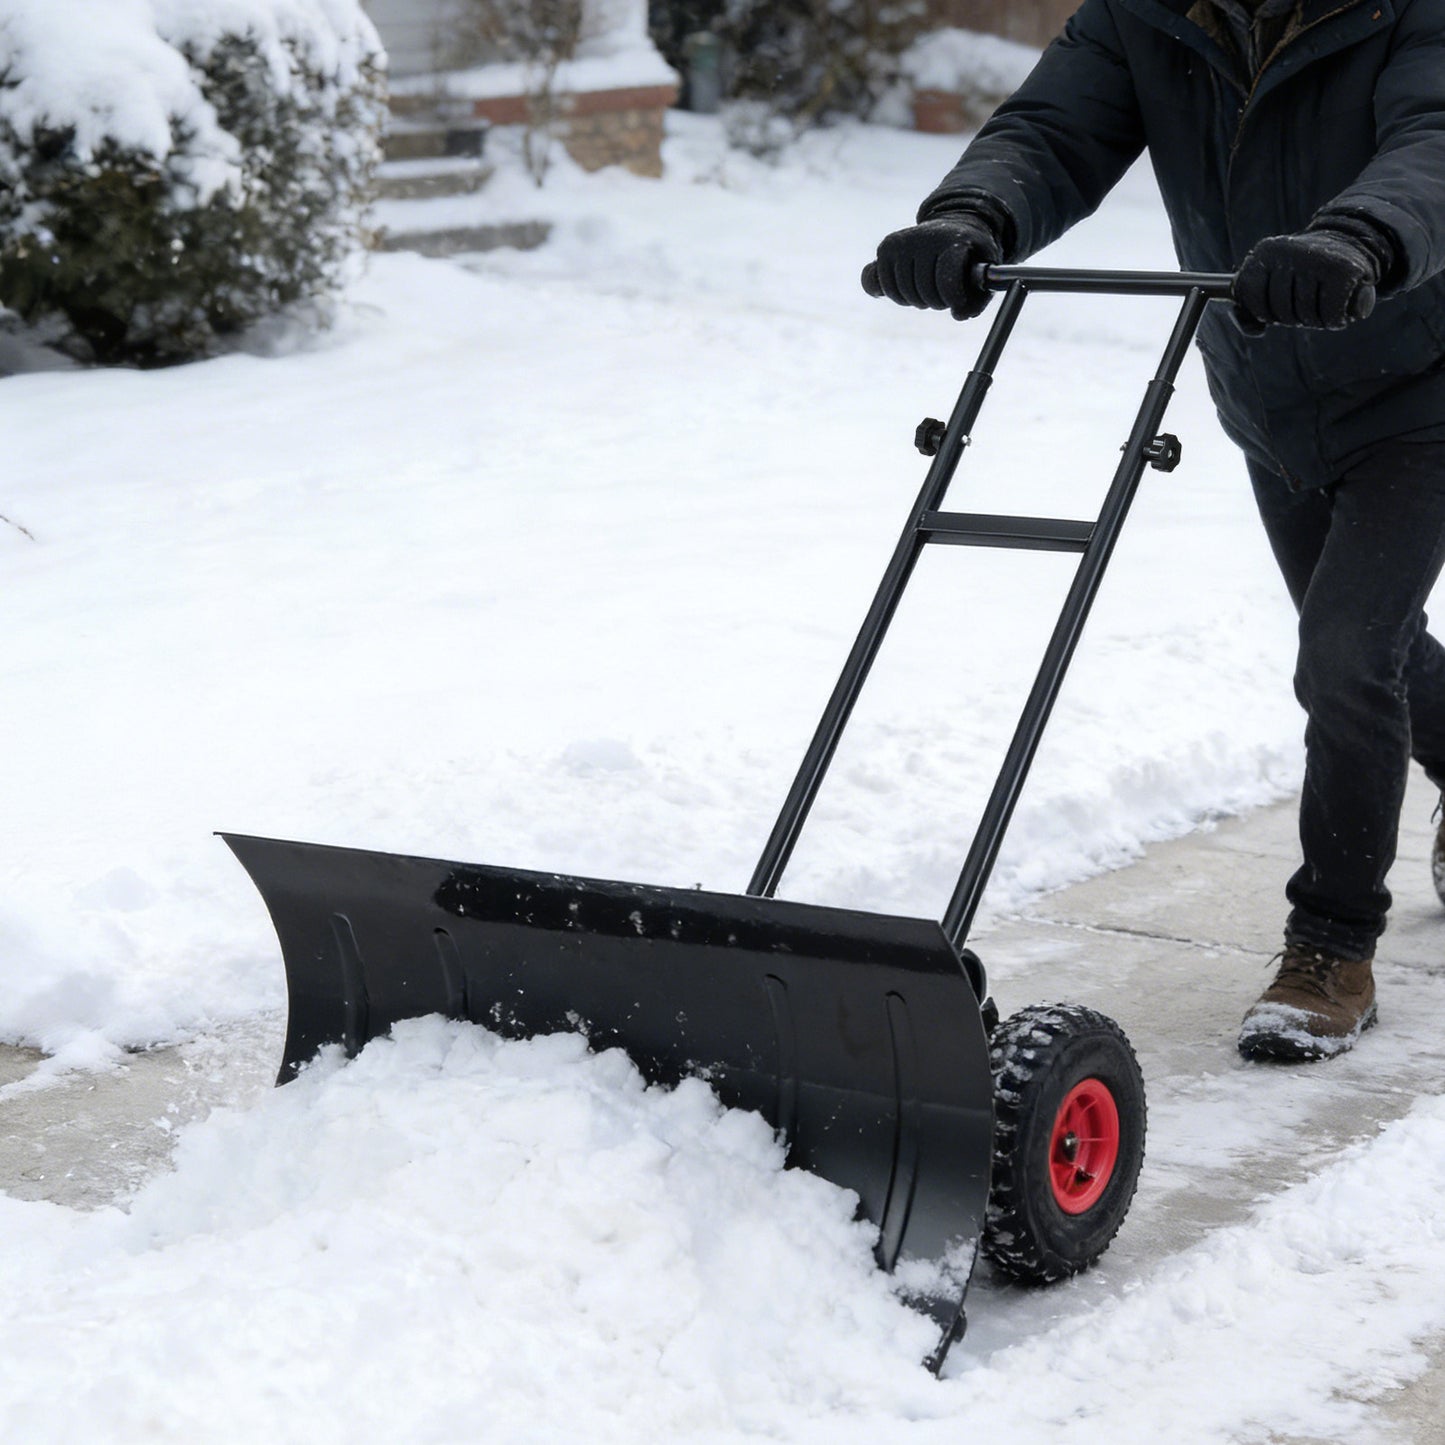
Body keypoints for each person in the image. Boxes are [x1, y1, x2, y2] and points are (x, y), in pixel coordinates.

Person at [865, 0, 1445, 1062]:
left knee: (1345, 653)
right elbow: (1054, 129)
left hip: (1418, 381)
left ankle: (1329, 945)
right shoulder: (1144, 13)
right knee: (1369, 646)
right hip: (1268, 383)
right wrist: (973, 213)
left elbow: (1433, 140)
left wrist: (1358, 235)